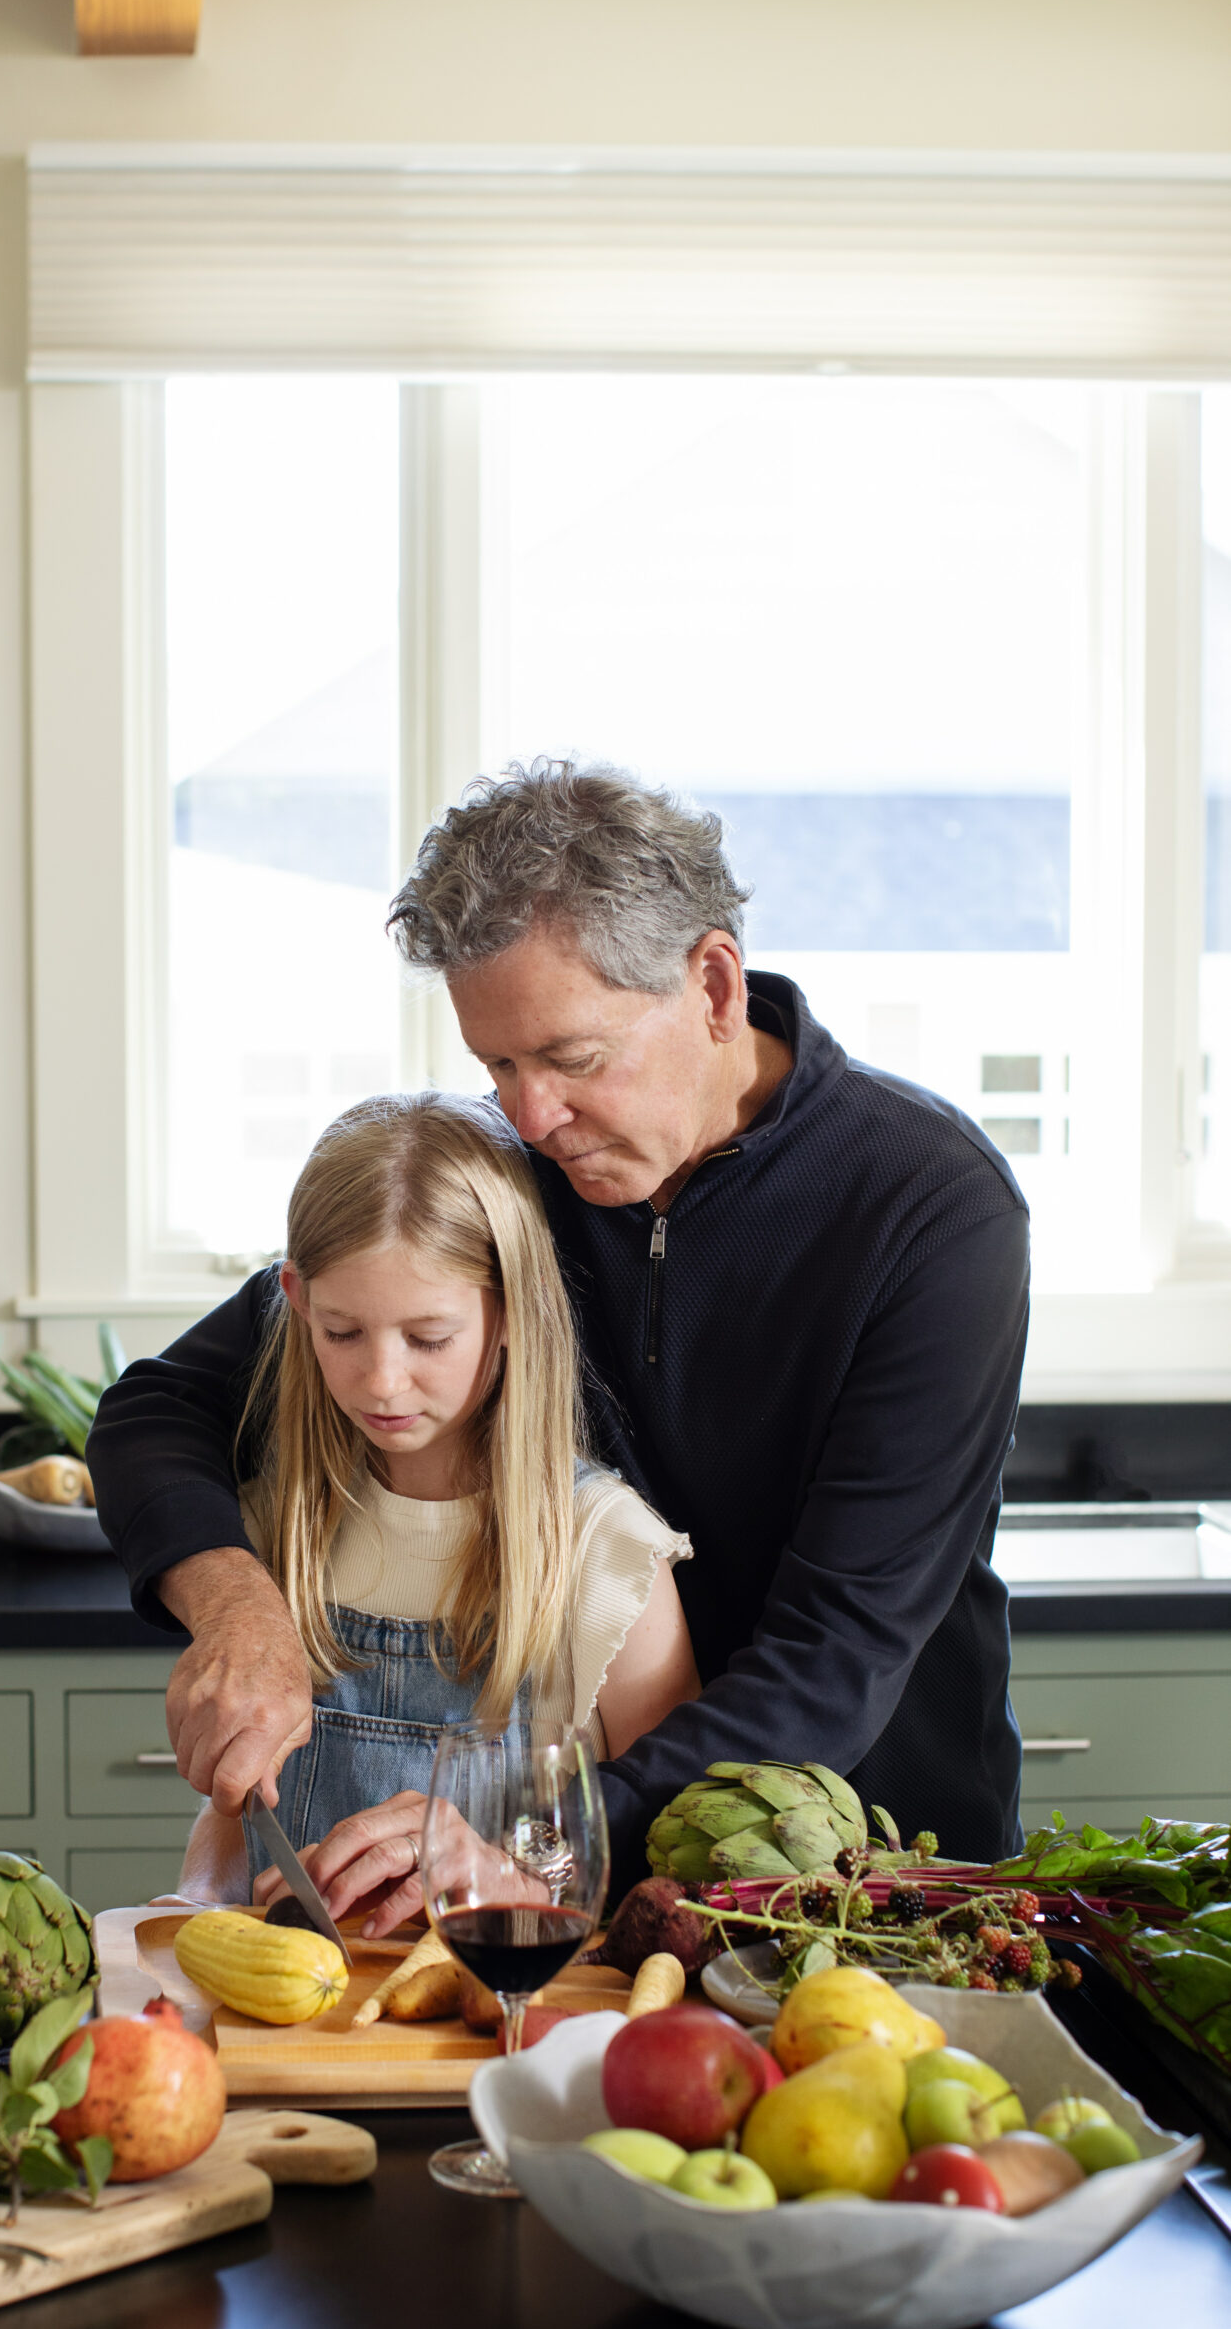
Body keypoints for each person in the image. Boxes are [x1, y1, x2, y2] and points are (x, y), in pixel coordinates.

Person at [90, 760, 1030, 1923]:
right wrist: (240, 1611)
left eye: (573, 1060)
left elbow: (836, 1657)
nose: (530, 1117)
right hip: (551, 1869)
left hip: (859, 1860)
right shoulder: (507, 1173)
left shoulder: (929, 1209)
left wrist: (536, 1840)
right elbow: (153, 1412)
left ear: (715, 985)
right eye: (497, 1064)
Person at [173, 1091, 698, 1928]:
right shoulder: (277, 1519)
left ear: (507, 1312)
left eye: (427, 1338)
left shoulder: (607, 1552)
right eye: (343, 1332)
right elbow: (235, 1817)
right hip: (293, 2036)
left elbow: (666, 1858)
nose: (381, 1380)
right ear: (296, 1299)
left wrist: (507, 1875)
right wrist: (192, 1903)